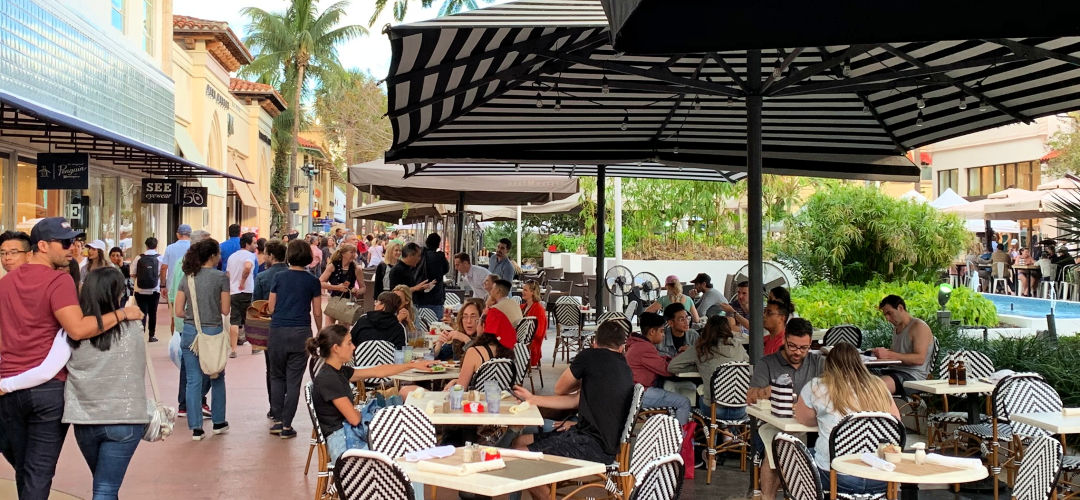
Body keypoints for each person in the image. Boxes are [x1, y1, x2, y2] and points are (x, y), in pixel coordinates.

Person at [0, 217, 143, 499]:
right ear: (42, 245)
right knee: (38, 471)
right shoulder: (59, 280)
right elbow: (77, 329)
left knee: (25, 469)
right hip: (47, 389)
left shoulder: (6, 283)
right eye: (65, 243)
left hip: (7, 387)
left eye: (74, 242)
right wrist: (122, 313)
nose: (72, 248)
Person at [512, 322, 634, 500]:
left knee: (520, 457)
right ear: (622, 347)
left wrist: (582, 373)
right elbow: (575, 400)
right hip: (599, 441)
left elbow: (560, 388)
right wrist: (533, 399)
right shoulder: (624, 368)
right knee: (519, 442)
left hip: (592, 445)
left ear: (595, 343)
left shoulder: (589, 357)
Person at [63, 267, 149, 499]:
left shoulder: (72, 332)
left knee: (104, 485)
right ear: (119, 293)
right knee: (105, 488)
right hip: (126, 418)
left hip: (85, 419)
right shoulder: (133, 326)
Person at [307, 325, 434, 463]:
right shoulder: (329, 379)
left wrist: (412, 365)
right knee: (403, 446)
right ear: (336, 348)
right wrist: (362, 412)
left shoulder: (339, 371)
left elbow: (378, 371)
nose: (354, 347)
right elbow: (354, 419)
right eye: (349, 343)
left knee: (401, 442)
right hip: (343, 443)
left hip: (348, 435)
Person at [795, 343, 899, 496]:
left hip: (837, 477)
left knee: (796, 457)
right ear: (860, 363)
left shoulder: (817, 386)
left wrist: (827, 419)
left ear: (828, 364)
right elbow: (896, 422)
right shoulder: (879, 387)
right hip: (881, 476)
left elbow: (804, 419)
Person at [747, 318, 824, 500]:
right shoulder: (767, 363)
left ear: (810, 344)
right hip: (776, 424)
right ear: (784, 340)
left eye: (803, 348)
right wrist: (770, 391)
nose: (797, 352)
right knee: (775, 447)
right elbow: (750, 396)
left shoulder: (818, 362)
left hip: (812, 426)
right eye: (792, 346)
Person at [174, 238, 231, 441]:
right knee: (216, 376)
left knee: (193, 379)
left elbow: (178, 310)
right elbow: (225, 310)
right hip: (213, 332)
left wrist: (193, 315)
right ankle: (218, 422)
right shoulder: (221, 277)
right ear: (213, 255)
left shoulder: (187, 277)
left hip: (190, 332)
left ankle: (196, 428)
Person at [266, 240, 323, 440]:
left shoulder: (279, 277)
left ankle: (278, 420)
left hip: (278, 331)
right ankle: (287, 425)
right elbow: (316, 311)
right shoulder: (312, 281)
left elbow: (271, 307)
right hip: (301, 333)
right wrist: (319, 331)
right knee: (294, 380)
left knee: (276, 376)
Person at [668, 315, 749, 414]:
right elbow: (748, 368)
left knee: (696, 397)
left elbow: (672, 367)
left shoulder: (701, 348)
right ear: (728, 329)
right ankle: (726, 429)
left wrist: (699, 367)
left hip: (714, 410)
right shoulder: (738, 347)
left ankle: (707, 428)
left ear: (707, 329)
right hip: (740, 409)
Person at [625, 312, 690, 424]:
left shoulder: (638, 344)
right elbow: (667, 370)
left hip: (635, 390)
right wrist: (683, 356)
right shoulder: (645, 348)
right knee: (683, 402)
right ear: (652, 332)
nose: (663, 335)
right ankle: (681, 439)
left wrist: (674, 357)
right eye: (661, 331)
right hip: (641, 393)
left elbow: (659, 360)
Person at [872, 295, 934, 396]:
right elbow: (897, 354)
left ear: (900, 308)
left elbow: (919, 359)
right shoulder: (897, 328)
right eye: (885, 315)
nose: (887, 318)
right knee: (856, 376)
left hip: (912, 376)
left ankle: (887, 411)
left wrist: (888, 354)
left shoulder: (919, 326)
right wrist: (876, 355)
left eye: (889, 313)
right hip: (894, 370)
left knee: (875, 387)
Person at [443, 312, 514, 390]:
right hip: (501, 399)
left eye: (478, 322)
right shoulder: (508, 352)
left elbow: (460, 389)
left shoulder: (474, 352)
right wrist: (456, 380)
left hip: (477, 400)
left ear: (483, 326)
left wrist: (450, 387)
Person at [225, 232, 259, 357]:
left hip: (234, 292)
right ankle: (255, 346)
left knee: (234, 320)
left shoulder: (232, 257)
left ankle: (233, 349)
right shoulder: (249, 255)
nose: (256, 246)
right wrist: (243, 282)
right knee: (249, 319)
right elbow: (248, 267)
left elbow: (227, 275)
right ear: (247, 243)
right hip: (246, 291)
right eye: (254, 243)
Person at [319, 243, 366, 326]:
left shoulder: (356, 268)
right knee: (329, 328)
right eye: (351, 252)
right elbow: (320, 282)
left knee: (344, 330)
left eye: (355, 252)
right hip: (334, 299)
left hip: (348, 302)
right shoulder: (332, 266)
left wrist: (357, 291)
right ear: (343, 253)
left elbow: (363, 288)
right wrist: (336, 287)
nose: (354, 255)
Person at [131, 237, 162, 342]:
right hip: (154, 290)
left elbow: (132, 273)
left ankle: (141, 334)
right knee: (153, 313)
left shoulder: (138, 258)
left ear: (146, 245)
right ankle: (151, 335)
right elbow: (163, 274)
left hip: (139, 290)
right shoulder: (160, 258)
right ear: (156, 246)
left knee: (141, 312)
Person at [414, 233, 450, 320]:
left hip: (420, 295)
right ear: (438, 244)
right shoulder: (440, 257)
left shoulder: (419, 256)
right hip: (436, 296)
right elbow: (446, 270)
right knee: (437, 325)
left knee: (421, 323)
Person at [520, 280, 547, 366]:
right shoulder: (523, 307)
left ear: (532, 292)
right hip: (521, 341)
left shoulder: (539, 309)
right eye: (523, 289)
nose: (522, 292)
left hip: (530, 344)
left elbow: (538, 333)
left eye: (525, 290)